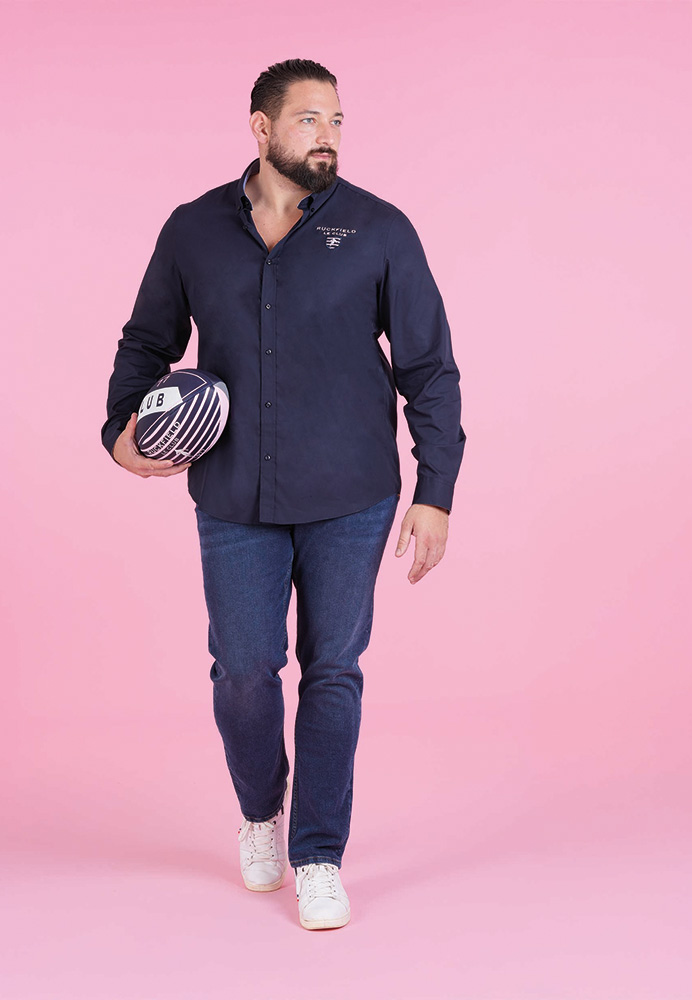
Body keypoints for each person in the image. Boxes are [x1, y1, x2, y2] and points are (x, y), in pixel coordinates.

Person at [101, 58, 466, 931]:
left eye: (337, 120)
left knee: (333, 671)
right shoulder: (193, 230)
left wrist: (436, 490)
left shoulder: (380, 229)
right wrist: (120, 431)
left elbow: (429, 368)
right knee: (243, 671)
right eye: (309, 120)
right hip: (234, 495)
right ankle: (260, 810)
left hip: (353, 494)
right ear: (262, 129)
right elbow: (144, 342)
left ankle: (319, 854)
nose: (328, 135)